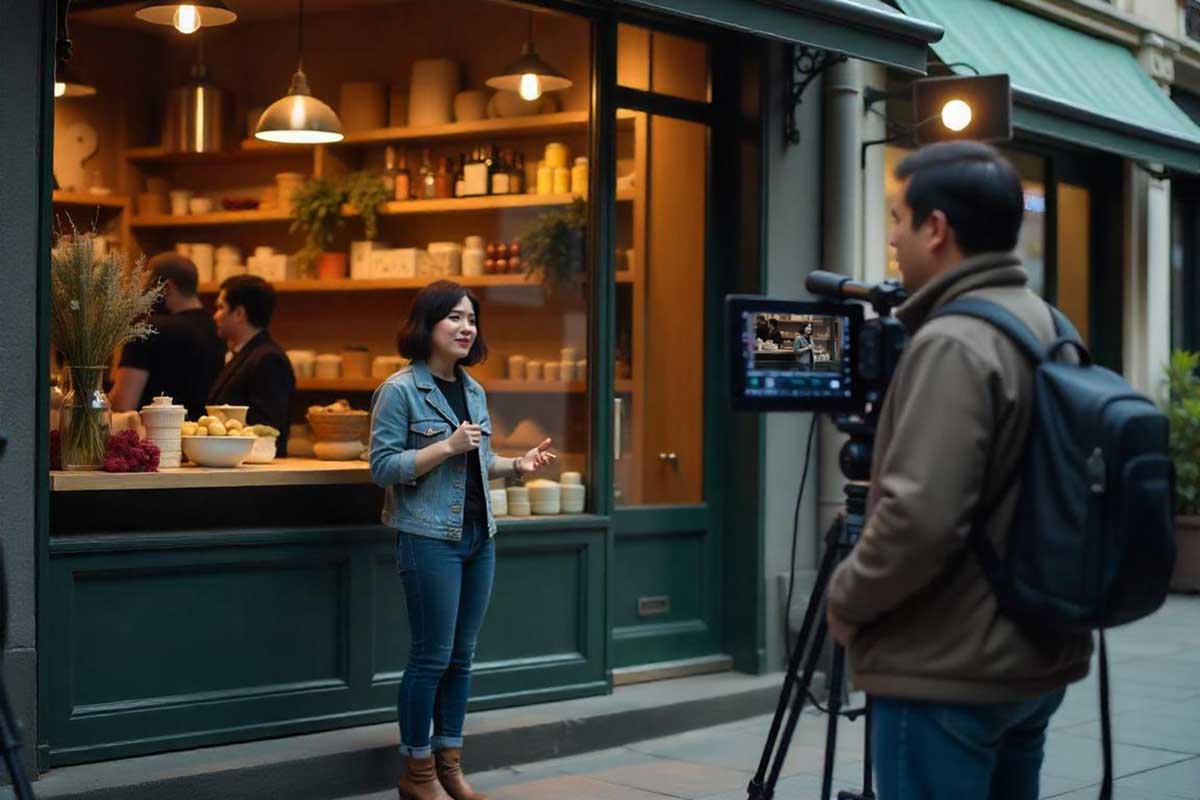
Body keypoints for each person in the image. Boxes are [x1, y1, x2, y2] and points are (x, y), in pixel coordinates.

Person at [824, 141, 1092, 800]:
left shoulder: (952, 342)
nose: (891, 237)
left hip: (949, 671)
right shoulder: (1050, 323)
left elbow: (919, 521)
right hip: (1034, 656)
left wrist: (846, 596)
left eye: (897, 218)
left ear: (936, 229)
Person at [369, 280, 556, 800]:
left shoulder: (473, 390)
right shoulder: (400, 390)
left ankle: (449, 764)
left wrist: (517, 465)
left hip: (479, 536)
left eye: (471, 319)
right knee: (431, 656)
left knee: (461, 657)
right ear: (426, 324)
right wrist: (446, 446)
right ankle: (417, 770)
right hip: (428, 537)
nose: (466, 327)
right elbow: (383, 469)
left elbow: (479, 460)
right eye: (454, 317)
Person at [109, 252, 225, 420]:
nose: (143, 296)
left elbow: (123, 405)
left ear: (166, 288)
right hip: (203, 436)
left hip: (155, 437)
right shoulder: (218, 329)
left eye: (147, 289)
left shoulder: (148, 329)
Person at [208, 275, 295, 454]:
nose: (215, 316)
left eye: (220, 307)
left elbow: (268, 430)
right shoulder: (247, 354)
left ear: (239, 314)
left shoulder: (268, 359)